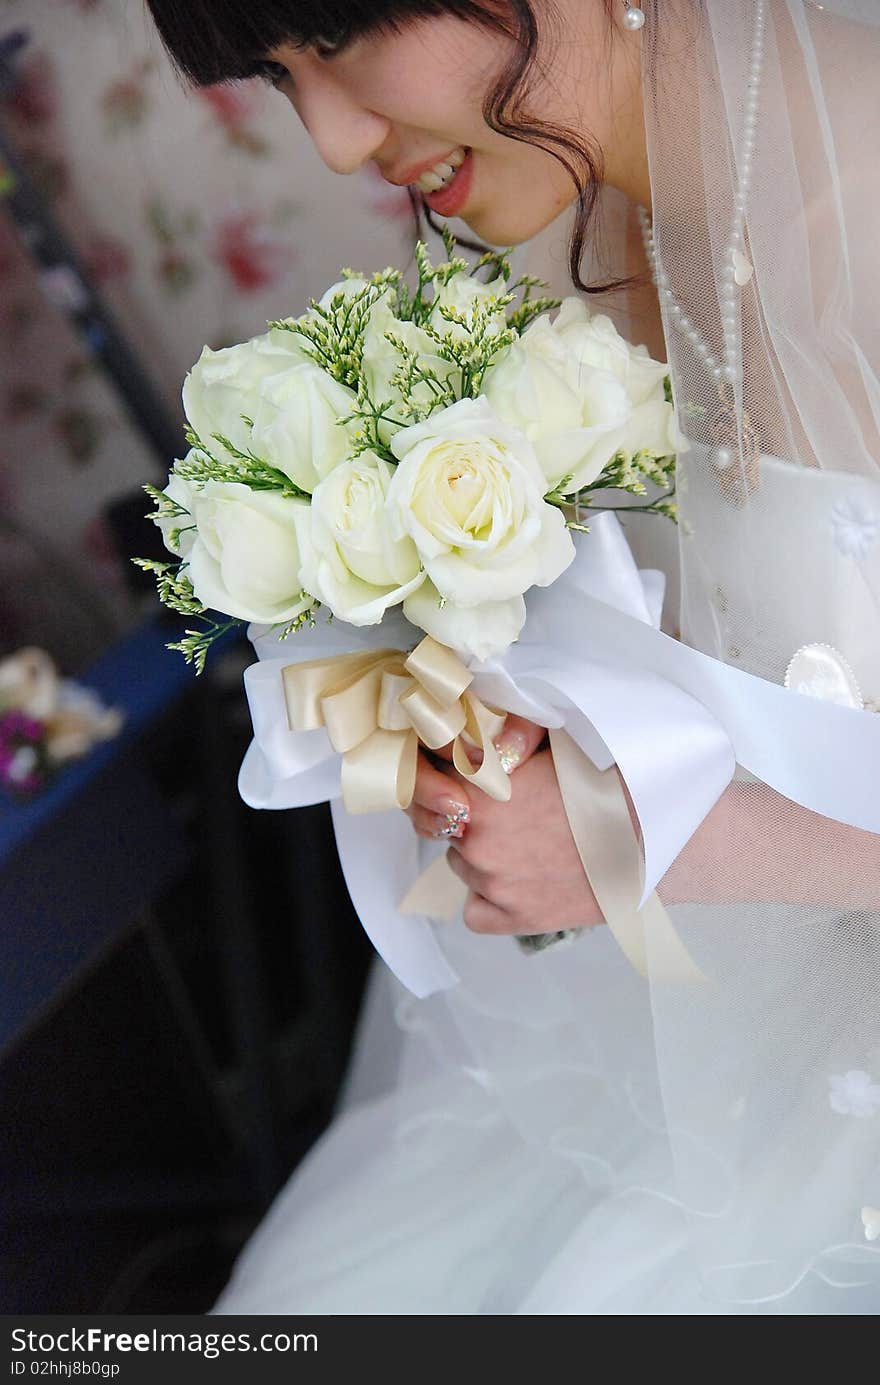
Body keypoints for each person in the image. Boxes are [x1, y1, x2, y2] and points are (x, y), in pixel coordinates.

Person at [145, 0, 880, 1313]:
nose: (330, 138)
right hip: (744, 1001)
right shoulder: (603, 221)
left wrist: (640, 836)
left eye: (340, 36)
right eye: (277, 73)